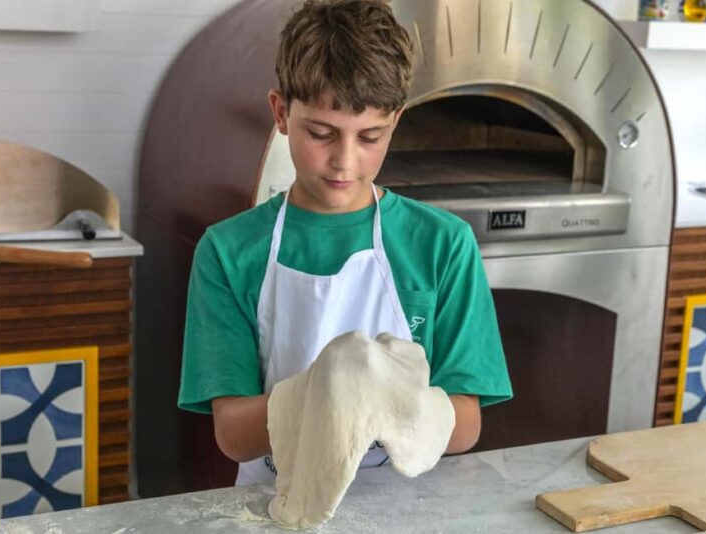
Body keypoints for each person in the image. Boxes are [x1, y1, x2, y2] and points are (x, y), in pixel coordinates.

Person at [178, 0, 512, 486]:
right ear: (280, 113)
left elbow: (465, 424)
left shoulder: (443, 246)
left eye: (370, 137)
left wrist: (380, 399)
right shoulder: (228, 252)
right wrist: (325, 393)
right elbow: (232, 432)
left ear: (395, 122)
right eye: (321, 133)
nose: (345, 162)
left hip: (405, 509)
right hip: (275, 503)